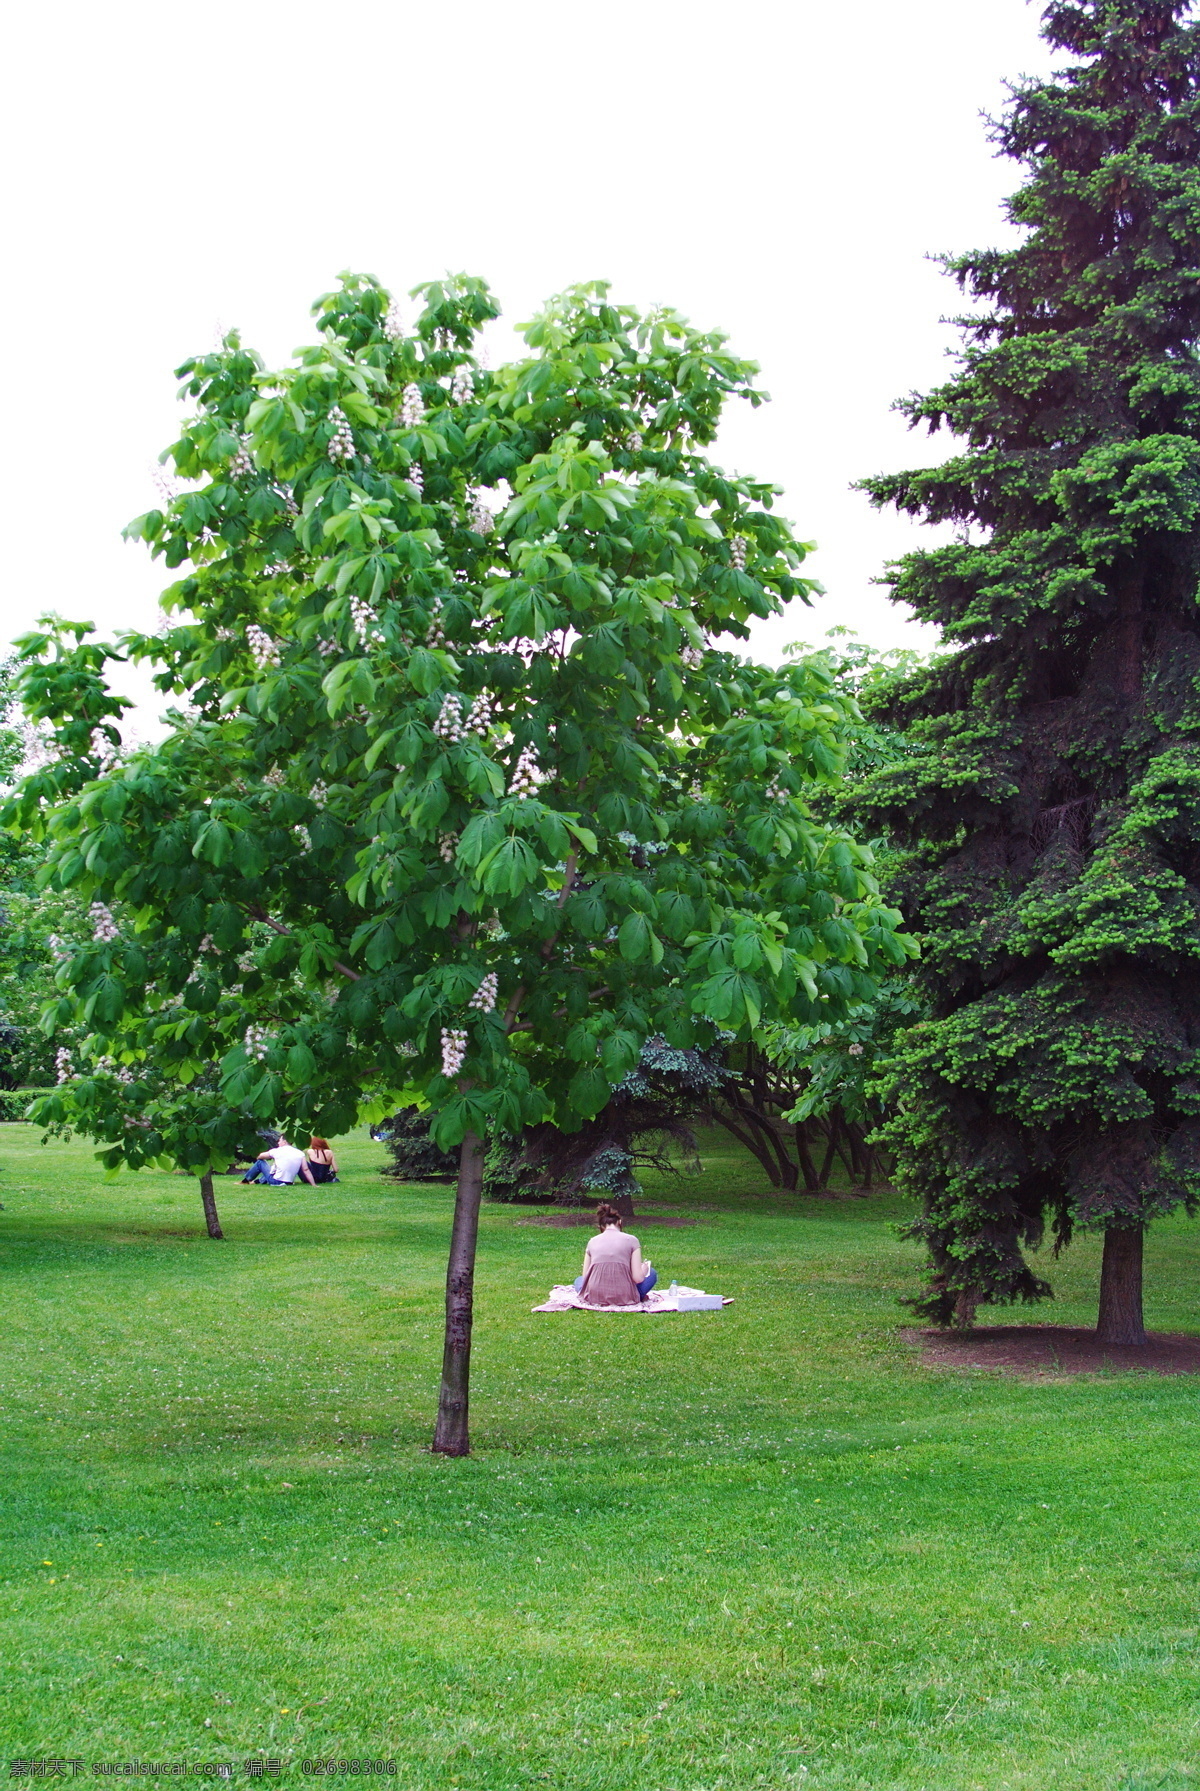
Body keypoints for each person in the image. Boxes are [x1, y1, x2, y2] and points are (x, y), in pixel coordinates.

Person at [574, 1202, 658, 1307]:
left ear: (601, 1226)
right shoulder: (632, 1240)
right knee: (652, 1273)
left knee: (578, 1280)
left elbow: (585, 1276)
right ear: (619, 1222)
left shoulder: (592, 1241)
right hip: (625, 1297)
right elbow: (638, 1278)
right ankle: (633, 1296)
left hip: (594, 1297)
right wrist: (644, 1270)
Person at [241, 1134, 314, 1187]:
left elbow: (260, 1156)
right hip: (289, 1182)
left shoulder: (277, 1151)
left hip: (276, 1182)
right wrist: (313, 1184)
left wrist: (259, 1157)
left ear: (284, 1142)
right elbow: (306, 1169)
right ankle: (256, 1182)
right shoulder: (300, 1153)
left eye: (279, 1141)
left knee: (260, 1163)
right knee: (273, 1169)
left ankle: (245, 1181)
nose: (278, 1143)